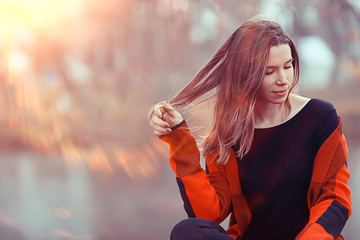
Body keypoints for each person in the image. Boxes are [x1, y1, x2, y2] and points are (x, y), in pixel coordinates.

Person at [148, 18, 352, 240]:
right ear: (246, 74)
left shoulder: (321, 117)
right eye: (269, 71)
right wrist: (179, 138)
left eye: (288, 66)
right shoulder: (229, 134)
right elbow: (206, 214)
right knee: (186, 231)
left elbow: (335, 199)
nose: (283, 79)